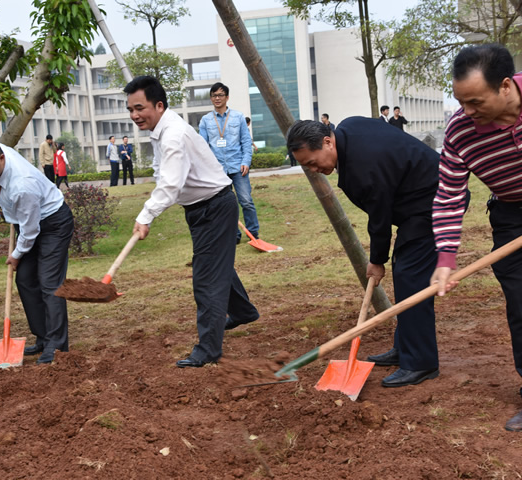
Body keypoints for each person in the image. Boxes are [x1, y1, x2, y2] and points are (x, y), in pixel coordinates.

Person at [431, 44, 522, 432]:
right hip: (512, 213)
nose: (467, 112)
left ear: (507, 86)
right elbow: (449, 194)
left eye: (476, 102)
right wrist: (446, 258)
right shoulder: (460, 131)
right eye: (461, 102)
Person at [287, 118, 452, 388]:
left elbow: (380, 218)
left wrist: (376, 261)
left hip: (437, 201)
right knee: (406, 273)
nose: (314, 170)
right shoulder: (348, 129)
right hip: (416, 200)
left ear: (328, 142)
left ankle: (421, 363)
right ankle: (406, 347)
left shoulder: (363, 168)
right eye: (307, 167)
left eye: (313, 162)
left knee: (411, 275)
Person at [125, 75, 259, 368]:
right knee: (214, 266)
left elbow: (171, 185)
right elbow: (166, 178)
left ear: (159, 105)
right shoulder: (162, 130)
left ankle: (208, 350)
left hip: (214, 207)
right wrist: (151, 209)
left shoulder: (173, 135)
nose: (135, 115)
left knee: (206, 279)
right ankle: (244, 311)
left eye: (140, 108)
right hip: (200, 209)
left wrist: (146, 215)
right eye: (130, 110)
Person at [0, 135, 74, 365]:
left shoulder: (21, 185)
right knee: (25, 279)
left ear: (1, 159)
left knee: (49, 283)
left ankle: (56, 346)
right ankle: (44, 336)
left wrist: (15, 255)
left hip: (53, 222)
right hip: (29, 221)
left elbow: (30, 231)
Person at [199, 82, 260, 243]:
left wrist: (246, 161)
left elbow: (246, 141)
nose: (217, 98)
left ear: (227, 97)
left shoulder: (238, 117)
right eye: (214, 95)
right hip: (218, 170)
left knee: (246, 201)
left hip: (238, 167)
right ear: (211, 98)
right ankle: (234, 236)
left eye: (220, 95)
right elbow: (203, 147)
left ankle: (253, 233)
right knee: (226, 206)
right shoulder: (206, 120)